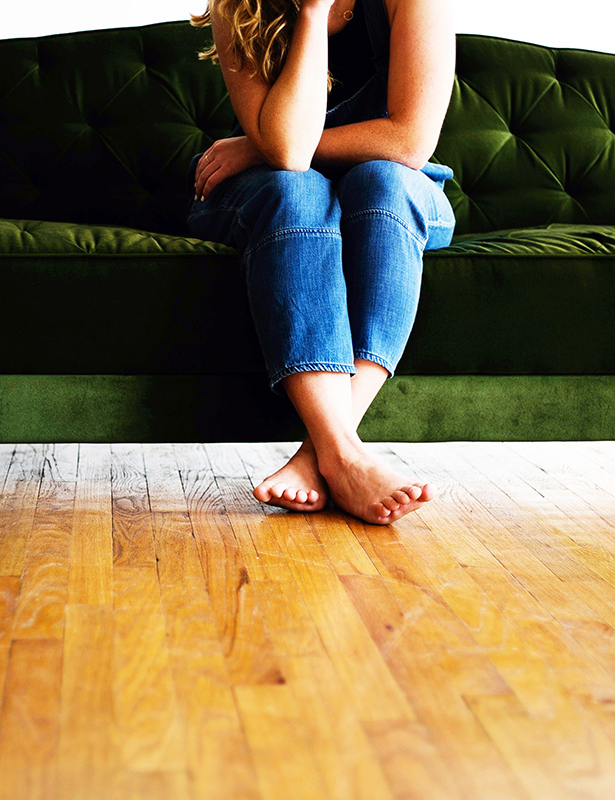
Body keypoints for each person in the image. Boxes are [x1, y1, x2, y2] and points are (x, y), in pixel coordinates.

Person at [187, 0, 457, 524]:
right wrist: (312, 12)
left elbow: (408, 140)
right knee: (298, 192)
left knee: (384, 180)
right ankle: (346, 456)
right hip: (272, 189)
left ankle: (325, 453)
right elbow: (288, 153)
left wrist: (251, 146)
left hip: (397, 185)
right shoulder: (237, 7)